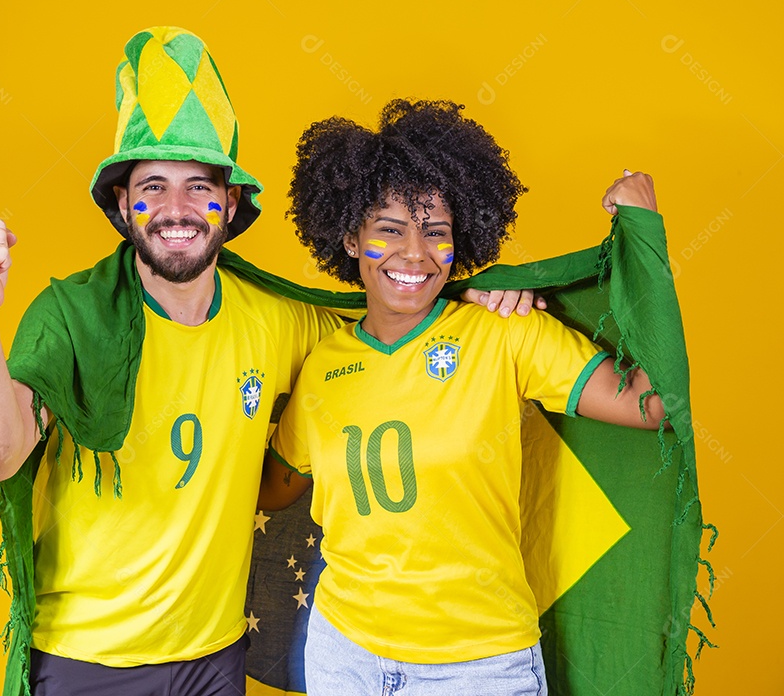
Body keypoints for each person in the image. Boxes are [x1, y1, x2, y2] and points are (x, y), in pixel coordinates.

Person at [0, 29, 538, 696]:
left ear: (229, 204)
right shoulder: (69, 317)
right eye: (153, 187)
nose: (176, 210)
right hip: (87, 661)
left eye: (199, 187)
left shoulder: (278, 319)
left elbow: (393, 311)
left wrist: (483, 294)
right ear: (122, 203)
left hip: (215, 662)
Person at [257, 98, 668, 696]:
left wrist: (645, 233)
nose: (415, 253)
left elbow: (651, 404)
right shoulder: (323, 363)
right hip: (343, 655)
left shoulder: (504, 332)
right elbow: (270, 488)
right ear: (349, 237)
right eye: (389, 229)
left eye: (436, 232)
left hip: (478, 666)